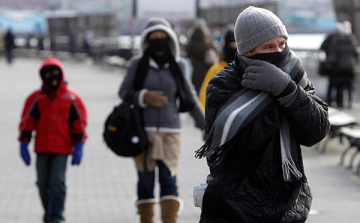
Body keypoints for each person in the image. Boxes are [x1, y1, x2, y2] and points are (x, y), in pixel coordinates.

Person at [195, 6, 330, 223]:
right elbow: (244, 142)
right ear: (248, 50)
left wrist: (288, 91)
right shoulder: (223, 84)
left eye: (282, 44)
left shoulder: (294, 76)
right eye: (269, 46)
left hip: (288, 205)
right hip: (234, 207)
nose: (279, 52)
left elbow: (317, 131)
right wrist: (276, 96)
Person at [118, 17, 205, 223]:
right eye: (154, 36)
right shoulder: (137, 65)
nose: (158, 39)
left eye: (162, 36)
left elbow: (190, 98)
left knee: (169, 181)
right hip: (142, 132)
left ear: (170, 39)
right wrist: (143, 96)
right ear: (147, 40)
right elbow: (124, 92)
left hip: (170, 132)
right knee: (146, 181)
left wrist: (205, 126)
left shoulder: (179, 66)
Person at [18, 57, 88, 223]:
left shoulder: (70, 98)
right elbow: (28, 121)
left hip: (62, 148)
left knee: (57, 181)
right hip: (42, 148)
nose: (52, 76)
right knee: (42, 183)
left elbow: (79, 123)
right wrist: (23, 142)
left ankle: (56, 216)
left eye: (56, 72)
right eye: (48, 73)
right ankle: (48, 212)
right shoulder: (37, 98)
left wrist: (79, 144)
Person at [199, 25, 237, 109]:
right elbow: (204, 93)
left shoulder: (247, 68)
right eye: (232, 44)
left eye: (236, 44)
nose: (234, 47)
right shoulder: (216, 69)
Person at [186, 19, 218, 95]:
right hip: (207, 73)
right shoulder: (207, 44)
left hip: (195, 75)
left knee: (197, 94)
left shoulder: (191, 45)